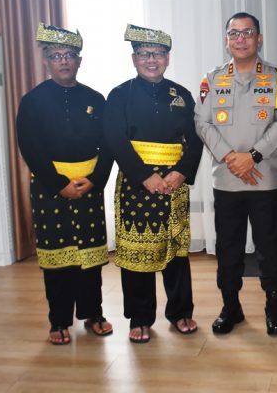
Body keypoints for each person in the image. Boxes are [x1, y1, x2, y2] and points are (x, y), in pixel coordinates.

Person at [194, 12, 277, 335]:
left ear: (259, 38)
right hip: (227, 180)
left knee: (271, 248)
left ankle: (274, 307)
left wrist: (252, 157)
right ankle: (231, 307)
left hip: (266, 179)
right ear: (226, 40)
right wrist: (231, 158)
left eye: (247, 32)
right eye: (234, 33)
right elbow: (201, 122)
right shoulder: (211, 79)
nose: (240, 39)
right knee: (228, 249)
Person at [104, 24, 203, 343]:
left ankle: (181, 311)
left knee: (176, 253)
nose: (151, 59)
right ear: (134, 58)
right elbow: (115, 139)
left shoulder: (182, 95)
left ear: (167, 59)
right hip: (137, 183)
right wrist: (144, 175)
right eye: (144, 54)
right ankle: (140, 317)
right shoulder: (119, 95)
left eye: (158, 53)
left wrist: (181, 172)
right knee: (137, 254)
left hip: (174, 182)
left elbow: (196, 138)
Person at [17, 23, 114, 345]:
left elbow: (108, 144)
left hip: (89, 186)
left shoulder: (96, 99)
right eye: (56, 55)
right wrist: (59, 184)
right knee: (57, 258)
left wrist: (95, 180)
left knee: (90, 257)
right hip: (51, 188)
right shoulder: (32, 101)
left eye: (69, 55)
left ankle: (93, 314)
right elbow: (30, 147)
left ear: (79, 61)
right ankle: (58, 321)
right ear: (46, 60)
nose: (63, 61)